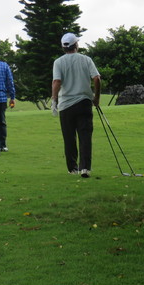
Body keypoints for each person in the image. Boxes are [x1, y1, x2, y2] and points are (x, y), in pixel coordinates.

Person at [51, 33, 101, 178]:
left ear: (63, 47)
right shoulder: (86, 59)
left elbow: (57, 82)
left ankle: (72, 168)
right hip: (84, 102)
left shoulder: (58, 62)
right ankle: (85, 168)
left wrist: (54, 100)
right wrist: (96, 98)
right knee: (85, 136)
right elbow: (97, 79)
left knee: (69, 138)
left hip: (66, 105)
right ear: (76, 45)